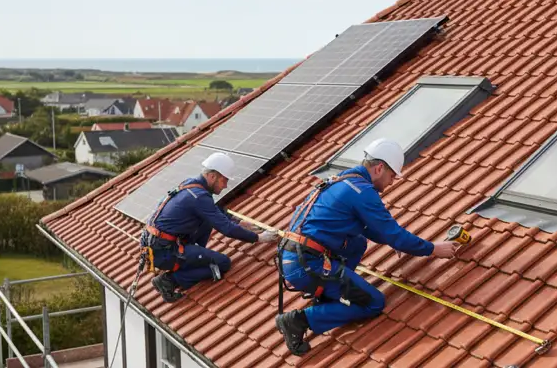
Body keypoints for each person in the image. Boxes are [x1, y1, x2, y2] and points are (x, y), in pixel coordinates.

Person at [274, 138, 460, 356]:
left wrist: (391, 239)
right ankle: (298, 320)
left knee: (358, 242)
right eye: (391, 176)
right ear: (379, 168)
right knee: (374, 302)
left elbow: (370, 228)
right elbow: (393, 232)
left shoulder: (341, 180)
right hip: (308, 265)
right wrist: (433, 249)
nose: (391, 182)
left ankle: (329, 295)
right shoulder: (362, 191)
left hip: (295, 255)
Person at [142, 152, 278, 302]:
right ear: (212, 176)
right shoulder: (199, 196)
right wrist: (259, 238)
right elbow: (227, 229)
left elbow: (213, 211)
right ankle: (169, 280)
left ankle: (195, 256)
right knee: (223, 263)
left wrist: (239, 222)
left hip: (157, 246)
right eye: (224, 180)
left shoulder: (192, 186)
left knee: (206, 220)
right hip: (164, 253)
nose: (225, 185)